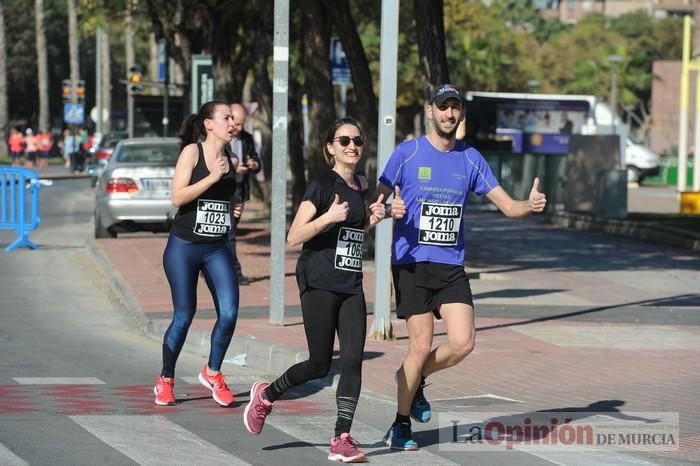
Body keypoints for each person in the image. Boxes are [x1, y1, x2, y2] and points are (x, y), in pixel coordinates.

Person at [374, 83, 547, 451]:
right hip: (412, 264)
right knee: (419, 346)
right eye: (443, 107)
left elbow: (507, 206)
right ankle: (400, 425)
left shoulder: (470, 158)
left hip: (451, 265)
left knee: (463, 343)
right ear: (430, 111)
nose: (449, 114)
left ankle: (414, 380)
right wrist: (389, 210)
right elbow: (374, 204)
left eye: (455, 108)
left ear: (460, 115)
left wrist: (528, 205)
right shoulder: (407, 154)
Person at [243, 117, 387, 463]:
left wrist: (372, 220)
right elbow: (294, 236)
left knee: (352, 360)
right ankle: (266, 394)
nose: (352, 146)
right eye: (344, 141)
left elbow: (351, 231)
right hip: (318, 281)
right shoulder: (322, 185)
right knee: (319, 364)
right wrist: (326, 218)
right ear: (330, 148)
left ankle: (341, 437)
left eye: (357, 140)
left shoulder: (359, 187)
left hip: (351, 284)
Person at [153, 100, 244, 408]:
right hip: (185, 247)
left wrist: (232, 210)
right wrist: (211, 178)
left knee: (230, 312)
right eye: (226, 117)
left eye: (233, 118)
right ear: (209, 124)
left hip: (216, 246)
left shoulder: (229, 157)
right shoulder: (193, 152)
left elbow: (217, 203)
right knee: (184, 315)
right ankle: (165, 379)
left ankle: (213, 371)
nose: (232, 122)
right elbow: (178, 196)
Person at [226, 103, 262, 285]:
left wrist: (253, 164)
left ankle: (211, 266)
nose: (239, 129)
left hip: (240, 191)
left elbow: (256, 159)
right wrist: (232, 167)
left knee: (227, 233)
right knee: (229, 233)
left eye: (242, 124)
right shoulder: (220, 136)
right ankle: (235, 273)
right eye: (237, 124)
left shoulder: (246, 138)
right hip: (224, 192)